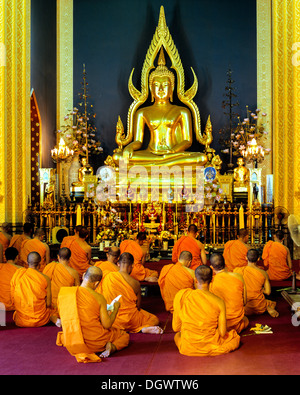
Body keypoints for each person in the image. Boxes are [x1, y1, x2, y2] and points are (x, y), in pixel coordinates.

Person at [112, 47, 209, 169]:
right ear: (151, 89)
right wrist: (129, 147)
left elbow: (187, 141)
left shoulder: (182, 111)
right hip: (150, 153)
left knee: (201, 158)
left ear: (172, 88)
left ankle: (159, 164)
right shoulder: (142, 112)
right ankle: (163, 164)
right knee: (118, 157)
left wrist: (173, 151)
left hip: (174, 154)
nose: (161, 90)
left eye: (166, 85)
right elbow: (138, 141)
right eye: (157, 85)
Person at [56, 266, 129, 363]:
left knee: (62, 335)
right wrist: (115, 309)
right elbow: (106, 324)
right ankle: (113, 347)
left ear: (83, 276)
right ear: (97, 283)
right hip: (96, 342)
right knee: (123, 335)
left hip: (73, 340)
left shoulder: (65, 294)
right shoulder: (99, 298)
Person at [172, 265, 240, 356]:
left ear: (195, 280)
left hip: (189, 346)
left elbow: (176, 328)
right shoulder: (219, 302)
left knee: (177, 336)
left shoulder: (182, 295)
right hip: (211, 343)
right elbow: (222, 333)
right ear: (212, 280)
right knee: (234, 338)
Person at [101, 252, 163, 334]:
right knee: (154, 319)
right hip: (130, 319)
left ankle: (121, 328)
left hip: (112, 318)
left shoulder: (108, 276)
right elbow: (138, 306)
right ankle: (141, 329)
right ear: (133, 265)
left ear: (118, 264)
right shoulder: (135, 283)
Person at [10, 251, 58, 327]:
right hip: (40, 319)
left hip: (22, 319)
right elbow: (48, 304)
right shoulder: (45, 278)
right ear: (40, 263)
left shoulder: (18, 275)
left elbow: (13, 298)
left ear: (27, 262)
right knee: (55, 309)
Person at [210, 253, 249, 333]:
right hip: (237, 323)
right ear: (225, 264)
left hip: (220, 325)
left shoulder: (211, 282)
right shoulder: (238, 276)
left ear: (212, 268)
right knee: (246, 319)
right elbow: (244, 302)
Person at [234, 249, 279, 317]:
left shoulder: (238, 271)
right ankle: (268, 308)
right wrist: (260, 289)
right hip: (259, 305)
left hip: (244, 306)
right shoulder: (263, 273)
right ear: (258, 259)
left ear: (246, 258)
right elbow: (268, 292)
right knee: (271, 303)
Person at [43, 247, 80, 326]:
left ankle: (53, 317)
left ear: (58, 257)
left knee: (42, 310)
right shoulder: (74, 273)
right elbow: (78, 290)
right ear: (70, 258)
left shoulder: (50, 267)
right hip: (65, 304)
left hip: (51, 303)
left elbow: (42, 286)